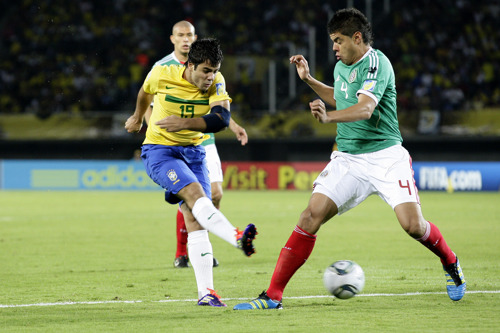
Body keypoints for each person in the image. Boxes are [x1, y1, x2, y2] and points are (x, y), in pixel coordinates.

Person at [234, 8, 465, 310]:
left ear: (357, 38)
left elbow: (365, 108)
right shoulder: (343, 67)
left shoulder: (377, 64)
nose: (334, 47)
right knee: (309, 217)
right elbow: (342, 97)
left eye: (338, 40)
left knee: (412, 225)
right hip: (349, 158)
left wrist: (328, 119)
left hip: (385, 156)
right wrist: (309, 81)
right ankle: (273, 295)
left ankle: (450, 262)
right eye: (333, 41)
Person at [125, 38, 257, 307]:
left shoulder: (217, 80)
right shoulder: (161, 73)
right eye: (205, 71)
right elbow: (144, 92)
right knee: (196, 196)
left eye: (214, 70)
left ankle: (206, 293)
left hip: (194, 153)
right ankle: (236, 236)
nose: (210, 77)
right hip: (160, 151)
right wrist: (138, 117)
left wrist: (184, 123)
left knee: (195, 219)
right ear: (190, 65)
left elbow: (221, 119)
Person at [145, 20, 248, 269]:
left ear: (195, 37)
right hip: (171, 141)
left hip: (203, 138)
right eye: (180, 35)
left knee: (214, 194)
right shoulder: (163, 68)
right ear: (172, 39)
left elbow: (217, 109)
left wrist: (232, 125)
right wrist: (153, 132)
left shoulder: (209, 69)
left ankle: (202, 247)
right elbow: (148, 102)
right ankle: (184, 251)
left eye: (189, 34)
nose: (185, 39)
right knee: (192, 195)